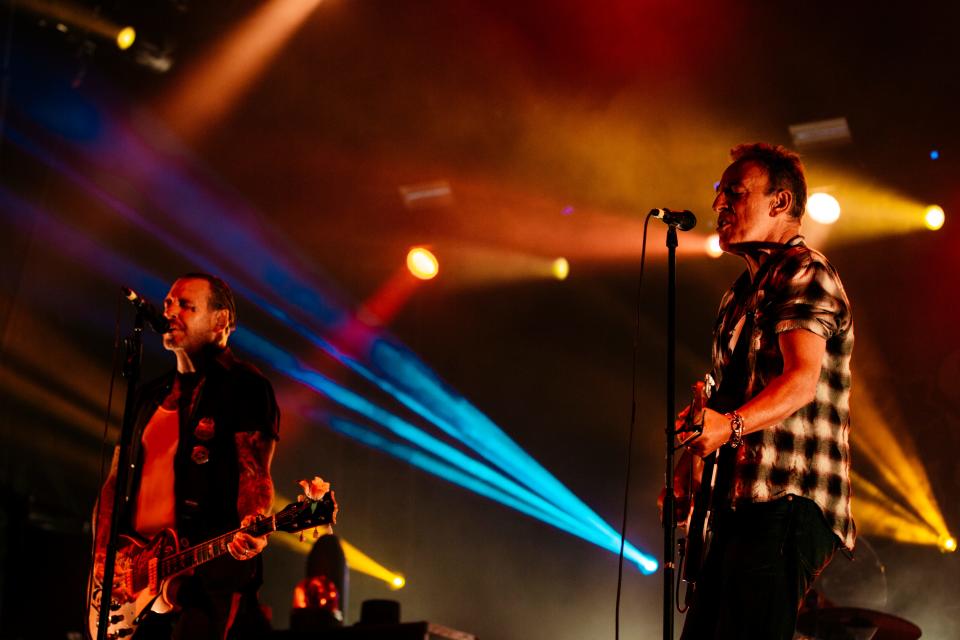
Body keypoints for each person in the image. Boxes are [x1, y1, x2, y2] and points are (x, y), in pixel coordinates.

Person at [672, 143, 855, 639]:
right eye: (718, 193)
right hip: (736, 507)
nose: (717, 205)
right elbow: (731, 401)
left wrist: (726, 426)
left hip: (784, 499)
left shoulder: (805, 271)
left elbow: (800, 381)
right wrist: (695, 452)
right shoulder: (738, 295)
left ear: (779, 203)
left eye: (734, 192)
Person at [91, 273, 279, 639]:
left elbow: (254, 473)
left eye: (185, 305)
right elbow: (115, 482)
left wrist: (255, 522)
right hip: (135, 580)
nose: (170, 311)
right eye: (167, 304)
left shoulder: (246, 386)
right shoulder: (149, 394)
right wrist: (102, 555)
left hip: (205, 576)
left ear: (219, 321)